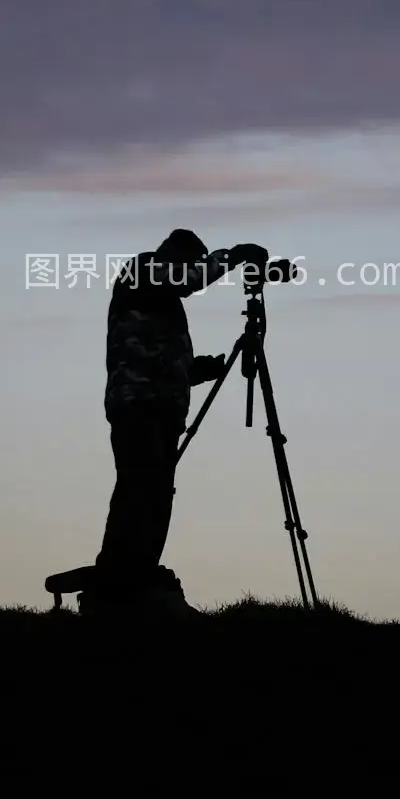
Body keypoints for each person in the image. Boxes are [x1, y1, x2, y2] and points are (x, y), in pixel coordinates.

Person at [83, 229, 264, 618]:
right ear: (175, 256)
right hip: (140, 405)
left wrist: (198, 370)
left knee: (154, 492)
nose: (193, 271)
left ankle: (136, 580)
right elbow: (187, 283)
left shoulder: (156, 293)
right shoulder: (144, 269)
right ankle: (119, 586)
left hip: (158, 407)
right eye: (191, 263)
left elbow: (155, 356)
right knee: (141, 490)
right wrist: (230, 257)